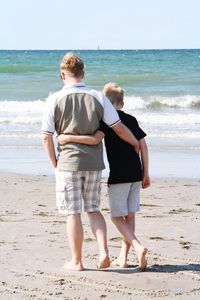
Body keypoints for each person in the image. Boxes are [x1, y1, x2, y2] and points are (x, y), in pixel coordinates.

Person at [42, 53, 140, 271]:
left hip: (68, 163)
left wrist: (54, 164)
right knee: (93, 209)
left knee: (73, 213)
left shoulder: (54, 99)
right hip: (94, 163)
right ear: (83, 74)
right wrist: (135, 143)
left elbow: (46, 136)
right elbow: (118, 127)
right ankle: (104, 252)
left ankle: (77, 261)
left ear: (62, 75)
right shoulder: (97, 96)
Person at [58, 82, 150, 271]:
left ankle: (137, 246)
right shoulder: (132, 119)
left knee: (117, 217)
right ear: (122, 103)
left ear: (105, 106)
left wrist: (68, 138)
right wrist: (146, 173)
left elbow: (94, 140)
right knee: (129, 215)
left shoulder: (107, 122)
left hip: (119, 176)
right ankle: (123, 258)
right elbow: (143, 145)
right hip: (135, 173)